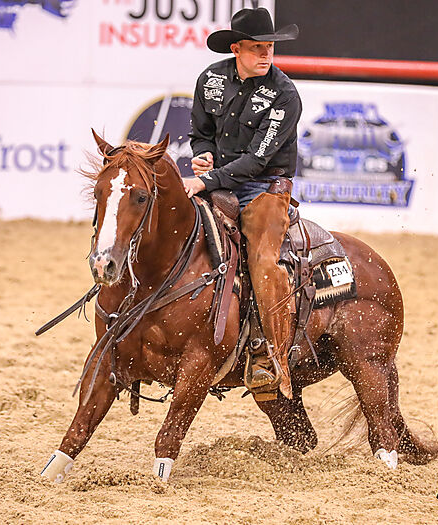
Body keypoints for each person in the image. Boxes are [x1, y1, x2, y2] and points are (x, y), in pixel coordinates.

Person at [183, 7, 301, 400]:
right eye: (256, 48)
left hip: (265, 187)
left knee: (264, 261)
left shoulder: (284, 94)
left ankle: (274, 357)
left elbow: (257, 161)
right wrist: (203, 154)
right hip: (219, 179)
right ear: (236, 49)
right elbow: (201, 133)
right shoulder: (210, 80)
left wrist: (205, 180)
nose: (266, 55)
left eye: (269, 48)